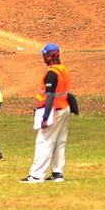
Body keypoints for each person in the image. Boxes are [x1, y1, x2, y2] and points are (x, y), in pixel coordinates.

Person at [21, 43, 79, 183]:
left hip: (54, 111)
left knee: (44, 141)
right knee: (59, 141)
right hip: (64, 108)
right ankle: (57, 173)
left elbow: (50, 96)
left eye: (43, 55)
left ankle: (36, 175)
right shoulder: (62, 69)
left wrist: (45, 117)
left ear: (47, 56)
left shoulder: (51, 73)